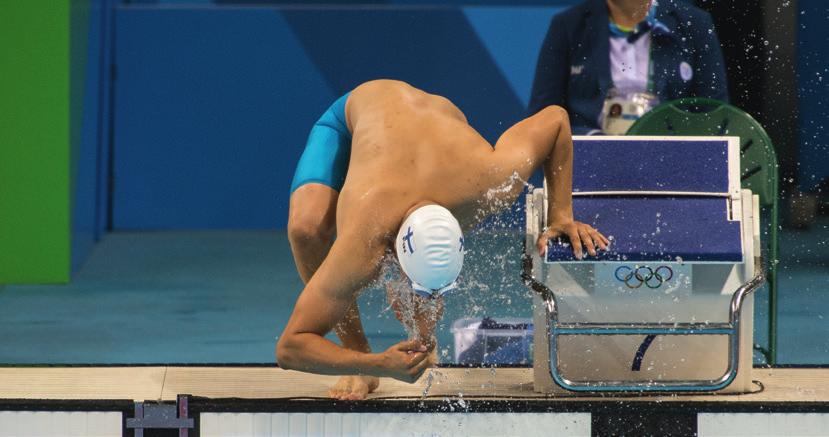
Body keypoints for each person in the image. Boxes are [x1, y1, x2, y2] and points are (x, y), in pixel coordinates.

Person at [279, 79, 608, 400]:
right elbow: (291, 347)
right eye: (416, 285)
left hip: (430, 139)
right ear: (392, 253)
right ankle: (356, 349)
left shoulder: (491, 182)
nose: (420, 294)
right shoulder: (365, 233)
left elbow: (556, 119)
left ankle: (420, 336)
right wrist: (375, 363)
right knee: (306, 230)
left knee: (421, 307)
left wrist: (561, 215)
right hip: (355, 115)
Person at [529, 0, 729, 134]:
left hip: (673, 164)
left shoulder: (694, 24)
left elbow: (716, 117)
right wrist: (595, 144)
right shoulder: (568, 25)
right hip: (591, 165)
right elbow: (541, 121)